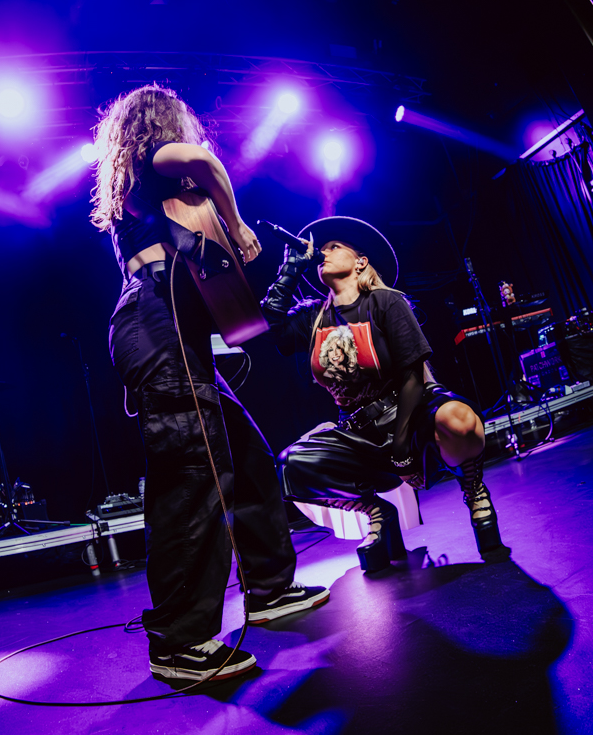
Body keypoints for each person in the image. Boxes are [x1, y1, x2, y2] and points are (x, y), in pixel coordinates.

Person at [89, 84, 328, 683]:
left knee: (246, 457)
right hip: (155, 335)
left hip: (177, 340)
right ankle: (180, 642)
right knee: (193, 482)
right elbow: (203, 160)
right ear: (159, 124)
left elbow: (219, 300)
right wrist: (237, 224)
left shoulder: (160, 200)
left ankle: (268, 589)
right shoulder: (153, 163)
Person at [261, 216, 502, 570]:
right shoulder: (313, 317)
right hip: (359, 434)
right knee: (290, 466)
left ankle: (473, 486)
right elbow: (272, 325)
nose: (323, 253)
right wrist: (290, 269)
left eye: (334, 247)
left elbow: (412, 376)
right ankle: (375, 511)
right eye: (321, 248)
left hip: (410, 418)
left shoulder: (386, 302)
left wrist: (402, 446)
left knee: (460, 419)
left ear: (361, 261)